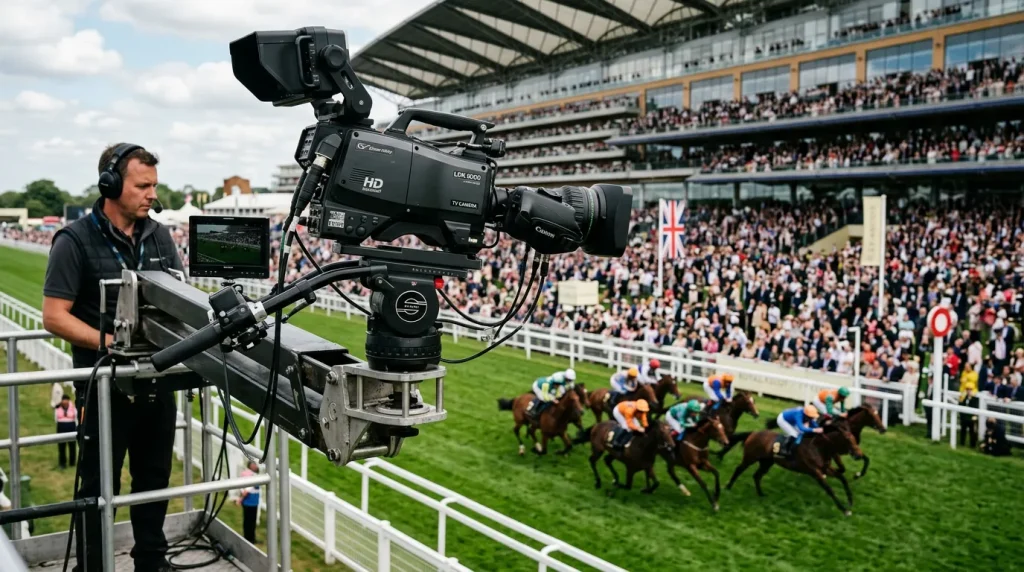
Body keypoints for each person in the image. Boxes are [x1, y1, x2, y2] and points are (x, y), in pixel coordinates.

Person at [42, 143, 184, 572]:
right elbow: (53, 316)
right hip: (101, 387)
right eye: (143, 185)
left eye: (154, 186)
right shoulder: (73, 240)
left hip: (155, 381)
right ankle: (92, 564)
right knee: (98, 485)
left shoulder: (160, 235)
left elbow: (179, 299)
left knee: (154, 479)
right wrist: (109, 342)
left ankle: (151, 563)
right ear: (111, 184)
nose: (152, 195)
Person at [236, 461, 261, 543]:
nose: (256, 466)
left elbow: (242, 487)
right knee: (251, 522)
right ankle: (250, 539)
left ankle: (248, 537)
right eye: (254, 465)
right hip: (251, 502)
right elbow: (247, 490)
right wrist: (241, 498)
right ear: (251, 466)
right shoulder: (252, 476)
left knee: (247, 521)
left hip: (250, 502)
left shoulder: (246, 474)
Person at [55, 394, 78, 469]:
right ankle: (62, 463)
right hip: (61, 426)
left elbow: (76, 417)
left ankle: (72, 462)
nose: (64, 402)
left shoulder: (73, 407)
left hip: (71, 426)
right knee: (61, 446)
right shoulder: (58, 408)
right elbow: (56, 419)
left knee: (72, 445)